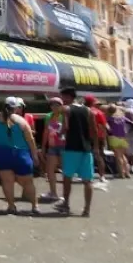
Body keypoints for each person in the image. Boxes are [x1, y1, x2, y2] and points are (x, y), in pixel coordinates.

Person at [0, 97, 40, 215]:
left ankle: (11, 206)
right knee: (27, 182)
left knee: (7, 181)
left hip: (2, 154)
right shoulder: (22, 121)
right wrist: (35, 155)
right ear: (16, 108)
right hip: (20, 154)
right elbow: (30, 140)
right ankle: (35, 206)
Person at [55, 88, 97, 217]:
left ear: (68, 97)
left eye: (63, 97)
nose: (62, 100)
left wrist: (59, 133)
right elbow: (93, 130)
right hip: (86, 148)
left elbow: (65, 127)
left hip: (71, 148)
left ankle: (66, 204)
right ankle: (87, 209)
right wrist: (95, 147)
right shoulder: (88, 110)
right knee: (87, 180)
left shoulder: (66, 109)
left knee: (67, 177)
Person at [40, 97, 66, 202]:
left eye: (57, 105)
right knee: (50, 170)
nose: (55, 107)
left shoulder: (64, 116)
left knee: (65, 170)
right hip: (52, 146)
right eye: (52, 105)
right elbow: (46, 132)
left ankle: (65, 194)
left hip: (64, 146)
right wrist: (43, 146)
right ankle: (53, 192)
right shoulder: (48, 116)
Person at [84, 95, 109, 183]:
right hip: (99, 137)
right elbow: (104, 126)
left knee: (86, 156)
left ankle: (87, 175)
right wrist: (104, 138)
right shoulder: (99, 112)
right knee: (99, 156)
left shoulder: (84, 111)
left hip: (86, 137)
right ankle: (102, 176)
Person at [105, 103, 131, 179]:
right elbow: (130, 122)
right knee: (123, 156)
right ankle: (127, 172)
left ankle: (121, 174)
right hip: (123, 138)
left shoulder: (109, 118)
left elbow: (107, 127)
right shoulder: (122, 117)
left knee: (118, 157)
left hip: (114, 138)